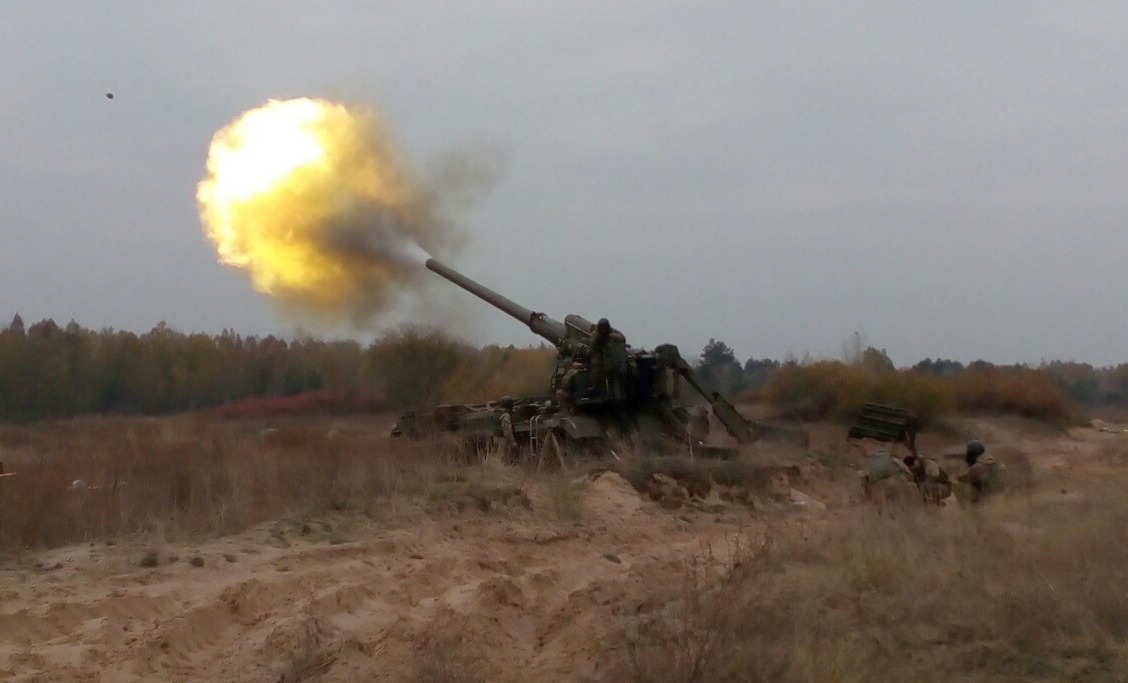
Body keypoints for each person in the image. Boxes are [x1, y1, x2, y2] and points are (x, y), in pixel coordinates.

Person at [589, 318, 625, 394]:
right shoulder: (596, 334)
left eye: (605, 329)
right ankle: (596, 385)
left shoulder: (612, 331)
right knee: (596, 366)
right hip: (599, 352)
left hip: (612, 353)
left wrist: (614, 337)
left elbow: (623, 338)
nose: (603, 331)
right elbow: (592, 346)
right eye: (602, 329)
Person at [491, 396, 519, 461]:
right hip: (502, 439)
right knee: (502, 458)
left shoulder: (497, 412)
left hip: (496, 437)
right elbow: (507, 430)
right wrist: (513, 442)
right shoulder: (505, 415)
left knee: (497, 457)